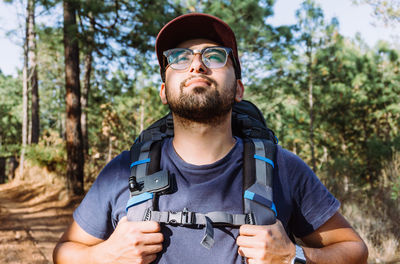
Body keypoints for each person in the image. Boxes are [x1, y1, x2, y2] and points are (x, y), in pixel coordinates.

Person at [53, 13, 368, 264]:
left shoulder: (283, 168)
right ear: (164, 91)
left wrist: (293, 256)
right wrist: (103, 256)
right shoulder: (121, 171)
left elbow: (354, 251)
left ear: (238, 90)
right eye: (179, 57)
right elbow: (65, 252)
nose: (196, 64)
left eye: (215, 56)